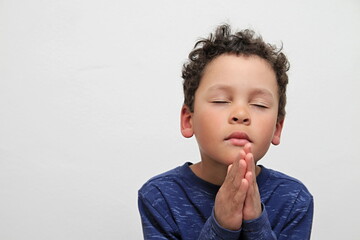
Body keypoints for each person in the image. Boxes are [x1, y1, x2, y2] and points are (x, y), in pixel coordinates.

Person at [138, 24, 313, 239]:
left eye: (259, 104)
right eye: (221, 100)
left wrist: (256, 222)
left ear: (277, 128)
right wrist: (222, 226)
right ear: (188, 120)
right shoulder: (159, 197)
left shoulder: (294, 199)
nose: (240, 114)